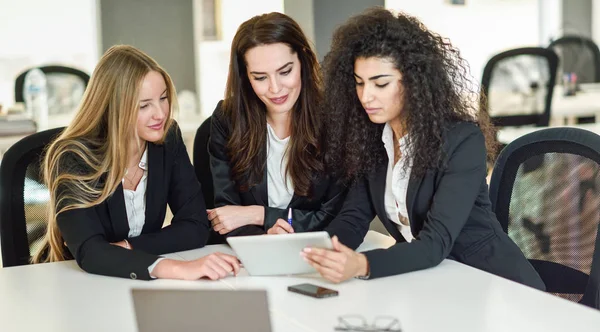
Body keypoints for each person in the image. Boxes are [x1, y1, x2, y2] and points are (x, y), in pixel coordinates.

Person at [302, 8, 545, 290]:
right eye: (359, 83)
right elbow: (353, 218)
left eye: (381, 83)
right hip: (434, 281)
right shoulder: (374, 141)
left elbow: (435, 242)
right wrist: (317, 253)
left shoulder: (462, 140)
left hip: (494, 284)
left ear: (413, 81)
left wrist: (362, 265)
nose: (366, 96)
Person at [33, 45, 240, 280]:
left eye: (163, 99)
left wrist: (128, 247)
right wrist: (176, 268)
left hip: (136, 283)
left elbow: (195, 225)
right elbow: (91, 252)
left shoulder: (167, 140)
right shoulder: (72, 157)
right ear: (113, 109)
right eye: (144, 106)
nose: (160, 114)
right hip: (78, 282)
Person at [207, 12, 362, 244]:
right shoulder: (227, 119)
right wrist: (264, 237)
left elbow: (335, 217)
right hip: (250, 257)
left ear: (303, 62)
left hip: (318, 254)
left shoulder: (337, 120)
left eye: (285, 71)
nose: (275, 88)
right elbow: (225, 216)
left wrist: (260, 215)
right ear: (245, 78)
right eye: (260, 77)